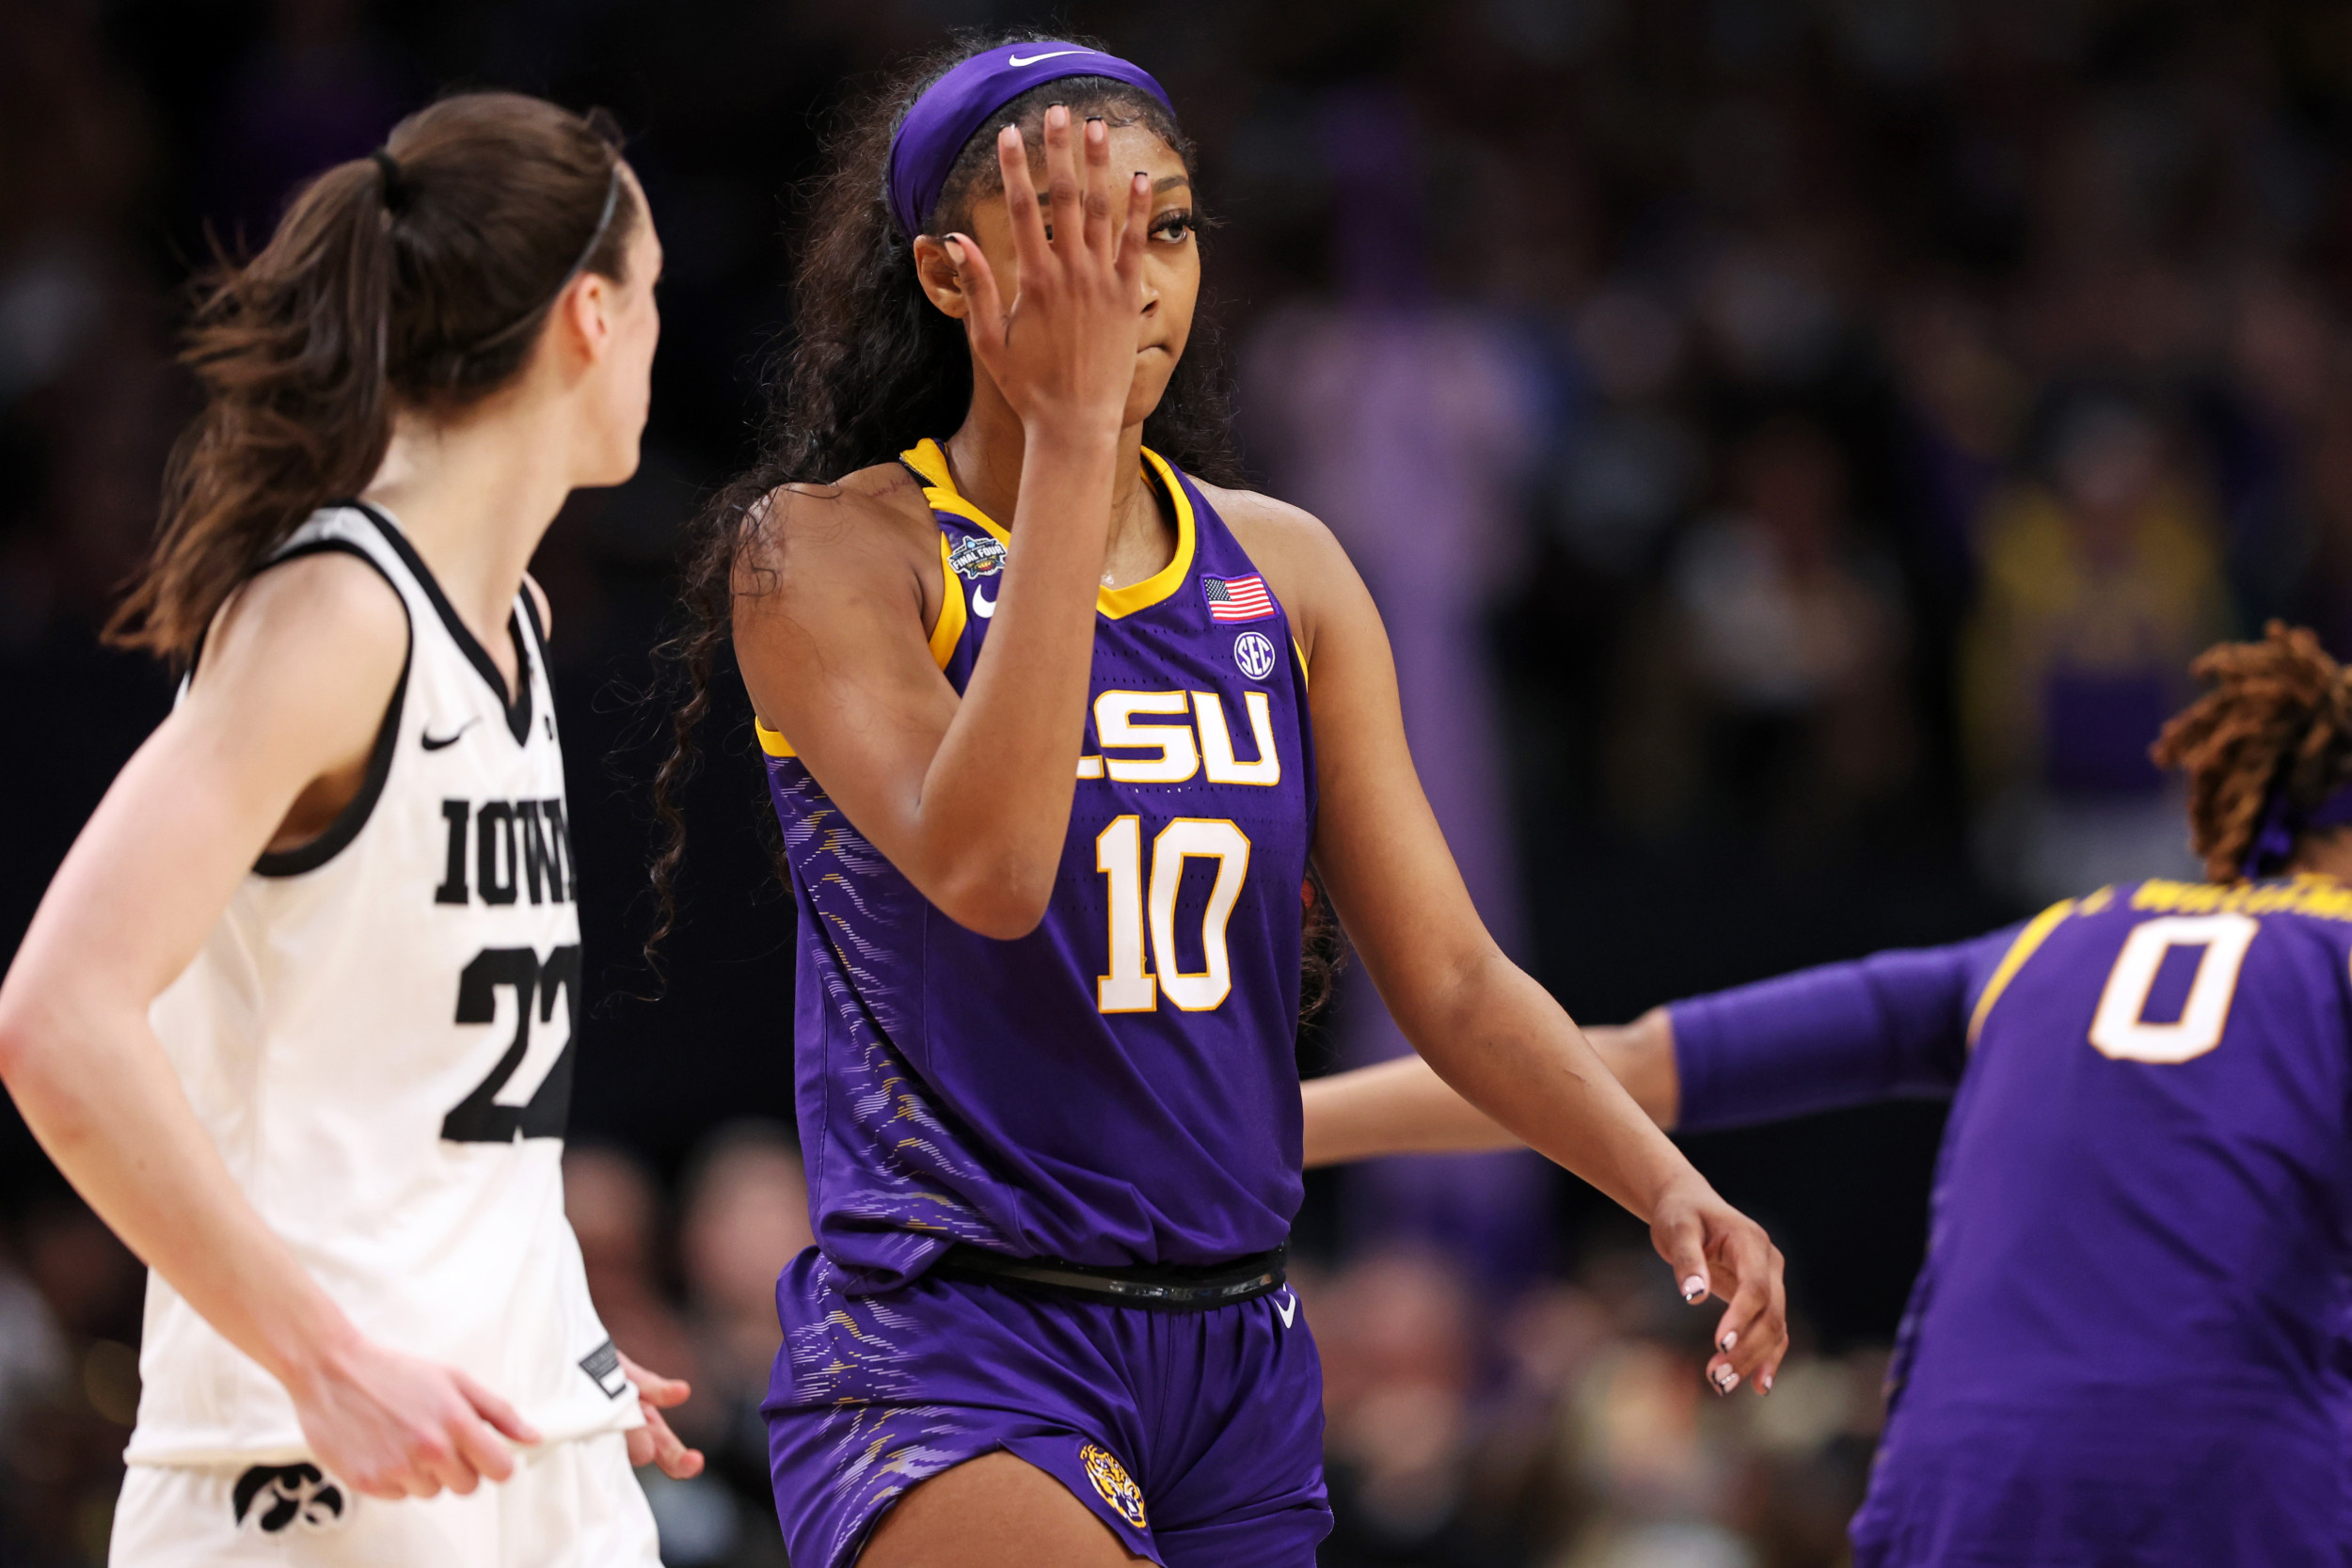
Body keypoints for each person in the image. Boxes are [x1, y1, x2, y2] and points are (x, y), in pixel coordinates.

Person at [656, 33, 1788, 1568]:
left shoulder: (1288, 571)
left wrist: (1665, 1186)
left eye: (1167, 225)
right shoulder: (831, 553)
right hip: (959, 1333)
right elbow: (986, 866)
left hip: (1236, 1340)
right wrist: (1065, 445)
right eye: (1071, 232)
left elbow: (1449, 976)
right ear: (948, 276)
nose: (1130, 274)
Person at [0, 92, 700, 1565]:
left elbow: (431, 1111)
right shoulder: (334, 612)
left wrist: (548, 1333)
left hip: (513, 1438)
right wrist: (321, 1353)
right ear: (586, 315)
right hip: (301, 1462)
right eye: (648, 296)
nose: (657, 336)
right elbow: (58, 1016)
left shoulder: (508, 618)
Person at [1302, 621, 2352, 1565]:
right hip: (2237, 1477)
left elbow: (1603, 1066)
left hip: (1963, 1488)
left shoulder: (2034, 948)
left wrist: (1274, 1125)